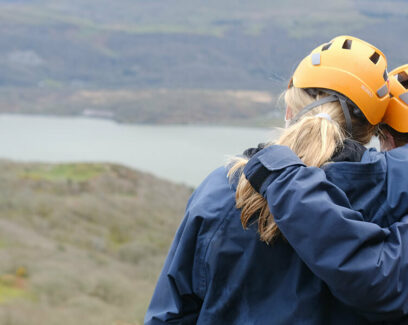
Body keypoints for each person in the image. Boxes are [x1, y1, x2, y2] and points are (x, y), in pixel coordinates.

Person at [144, 35, 390, 324]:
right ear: (373, 133)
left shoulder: (227, 189)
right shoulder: (387, 202)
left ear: (289, 110)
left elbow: (172, 313)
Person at [242, 64, 408, 322]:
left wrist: (283, 178)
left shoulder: (225, 190)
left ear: (389, 139)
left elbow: (378, 279)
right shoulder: (385, 198)